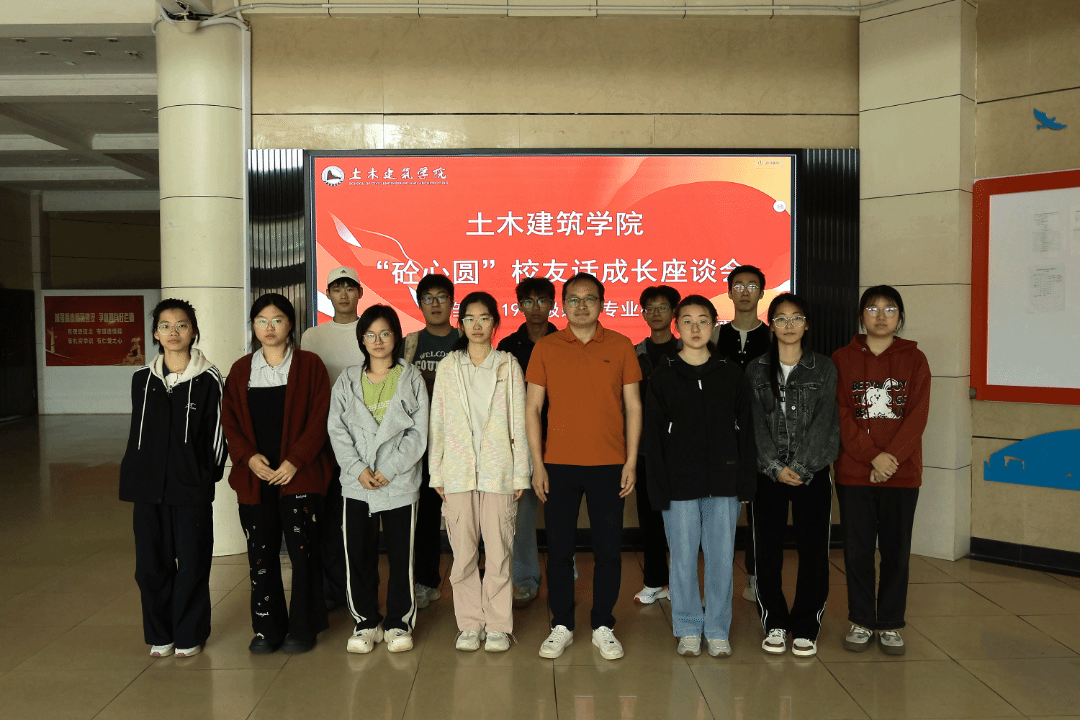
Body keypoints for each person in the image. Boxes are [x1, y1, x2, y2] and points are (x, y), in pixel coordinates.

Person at [526, 272, 643, 661]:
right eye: (573, 299)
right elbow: (533, 408)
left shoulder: (621, 345)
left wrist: (630, 461)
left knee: (608, 549)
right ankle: (561, 623)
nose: (581, 305)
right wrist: (537, 464)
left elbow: (633, 407)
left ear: (602, 304)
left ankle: (603, 625)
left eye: (589, 298)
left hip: (609, 464)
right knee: (559, 549)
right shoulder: (546, 347)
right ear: (563, 305)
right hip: (558, 464)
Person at [644, 295, 755, 657]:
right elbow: (653, 436)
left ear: (713, 325)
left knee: (722, 558)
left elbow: (747, 430)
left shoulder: (730, 373)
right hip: (678, 484)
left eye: (703, 320)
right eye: (687, 321)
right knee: (682, 558)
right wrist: (657, 487)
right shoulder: (663, 374)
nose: (695, 328)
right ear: (676, 326)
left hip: (724, 482)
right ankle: (689, 627)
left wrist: (745, 481)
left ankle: (718, 629)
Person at [222, 293, 332, 655]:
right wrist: (247, 457)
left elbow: (320, 417)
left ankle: (303, 627)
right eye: (261, 321)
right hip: (255, 477)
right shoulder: (241, 370)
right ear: (253, 326)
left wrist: (295, 460)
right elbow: (229, 420)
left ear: (291, 325)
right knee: (261, 554)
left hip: (298, 475)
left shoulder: (310, 365)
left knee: (303, 553)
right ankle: (266, 628)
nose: (269, 328)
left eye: (277, 320)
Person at [120, 298, 227, 658]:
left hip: (190, 488)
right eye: (165, 326)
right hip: (146, 488)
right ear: (155, 333)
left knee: (192, 563)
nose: (173, 332)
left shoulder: (210, 379)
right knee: (150, 566)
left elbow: (219, 435)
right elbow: (138, 433)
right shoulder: (141, 380)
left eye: (181, 325)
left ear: (193, 331)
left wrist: (203, 476)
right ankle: (160, 634)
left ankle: (189, 634)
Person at [429, 292, 531, 653]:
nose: (477, 325)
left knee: (500, 551)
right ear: (461, 324)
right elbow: (437, 422)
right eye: (470, 318)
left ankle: (499, 625)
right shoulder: (449, 366)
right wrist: (436, 473)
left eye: (484, 318)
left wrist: (521, 474)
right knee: (463, 553)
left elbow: (519, 422)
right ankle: (470, 624)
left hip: (498, 472)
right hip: (456, 473)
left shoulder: (508, 365)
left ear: (495, 323)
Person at [832, 285, 930, 656]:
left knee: (896, 552)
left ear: (900, 317)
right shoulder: (841, 359)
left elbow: (917, 415)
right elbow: (840, 414)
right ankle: (860, 620)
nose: (881, 316)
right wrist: (873, 457)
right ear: (861, 316)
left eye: (890, 309)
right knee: (857, 552)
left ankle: (889, 623)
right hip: (854, 472)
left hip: (902, 474)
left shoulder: (915, 359)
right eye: (873, 309)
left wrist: (890, 459)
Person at [328, 304, 429, 654]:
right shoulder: (346, 379)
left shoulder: (411, 378)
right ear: (361, 339)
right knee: (358, 555)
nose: (378, 340)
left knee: (402, 558)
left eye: (385, 333)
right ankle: (365, 622)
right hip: (357, 483)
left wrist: (390, 469)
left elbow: (419, 433)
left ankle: (400, 623)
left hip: (398, 481)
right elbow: (336, 429)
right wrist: (358, 469)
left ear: (396, 337)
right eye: (370, 334)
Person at [745, 292, 839, 657]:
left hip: (811, 475)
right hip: (767, 475)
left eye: (796, 318)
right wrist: (774, 466)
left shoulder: (824, 368)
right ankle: (774, 622)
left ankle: (806, 625)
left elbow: (827, 424)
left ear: (806, 324)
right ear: (771, 326)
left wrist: (800, 467)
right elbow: (753, 425)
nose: (788, 325)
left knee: (813, 552)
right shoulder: (755, 369)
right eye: (781, 319)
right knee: (766, 551)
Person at [300, 266, 366, 611]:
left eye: (349, 288)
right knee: (327, 516)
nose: (343, 294)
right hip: (324, 437)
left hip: (364, 436)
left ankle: (359, 589)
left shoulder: (371, 331)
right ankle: (333, 589)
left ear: (360, 293)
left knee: (358, 517)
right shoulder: (312, 336)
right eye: (336, 288)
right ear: (327, 294)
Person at [496, 276, 559, 608]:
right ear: (519, 306)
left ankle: (564, 578)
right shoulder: (507, 347)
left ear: (552, 304)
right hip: (520, 441)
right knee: (521, 516)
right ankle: (525, 580)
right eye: (528, 301)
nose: (536, 308)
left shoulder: (566, 342)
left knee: (561, 513)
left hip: (562, 439)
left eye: (542, 301)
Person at [713, 265, 772, 603]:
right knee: (718, 511)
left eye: (752, 285)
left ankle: (754, 574)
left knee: (759, 512)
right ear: (729, 292)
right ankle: (715, 583)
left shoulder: (774, 336)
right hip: (722, 437)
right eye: (738, 285)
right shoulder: (715, 336)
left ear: (762, 293)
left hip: (763, 436)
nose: (745, 291)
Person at [402, 273, 460, 610]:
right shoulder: (410, 343)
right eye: (428, 298)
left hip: (459, 442)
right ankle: (426, 581)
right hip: (420, 442)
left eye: (441, 297)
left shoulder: (466, 338)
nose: (435, 304)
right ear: (420, 304)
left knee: (466, 515)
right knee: (424, 516)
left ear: (452, 302)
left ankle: (474, 584)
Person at [632, 284, 681, 605]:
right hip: (645, 449)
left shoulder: (687, 350)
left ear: (674, 312)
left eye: (663, 307)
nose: (656, 313)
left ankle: (679, 584)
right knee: (649, 518)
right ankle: (654, 580)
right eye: (650, 308)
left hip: (681, 451)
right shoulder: (633, 353)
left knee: (681, 521)